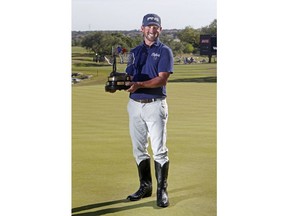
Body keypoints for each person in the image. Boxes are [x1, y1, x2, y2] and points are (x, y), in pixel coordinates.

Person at [125, 13, 174, 208]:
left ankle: (162, 191)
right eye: (148, 26)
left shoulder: (165, 51)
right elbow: (129, 76)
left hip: (155, 104)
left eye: (155, 26)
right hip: (135, 105)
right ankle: (145, 187)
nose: (152, 30)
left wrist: (138, 84)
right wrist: (119, 82)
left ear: (160, 29)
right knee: (139, 149)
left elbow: (162, 79)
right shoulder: (135, 51)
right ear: (142, 29)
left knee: (159, 150)